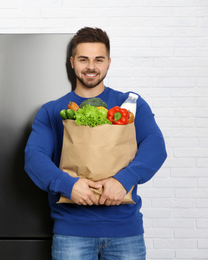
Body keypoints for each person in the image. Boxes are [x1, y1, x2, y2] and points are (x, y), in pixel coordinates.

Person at [24, 27, 167, 260]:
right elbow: (34, 157)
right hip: (72, 231)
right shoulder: (52, 111)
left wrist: (123, 180)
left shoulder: (130, 105)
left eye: (98, 59)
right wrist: (68, 185)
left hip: (125, 231)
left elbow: (155, 146)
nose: (91, 67)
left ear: (108, 62)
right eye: (83, 59)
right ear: (72, 62)